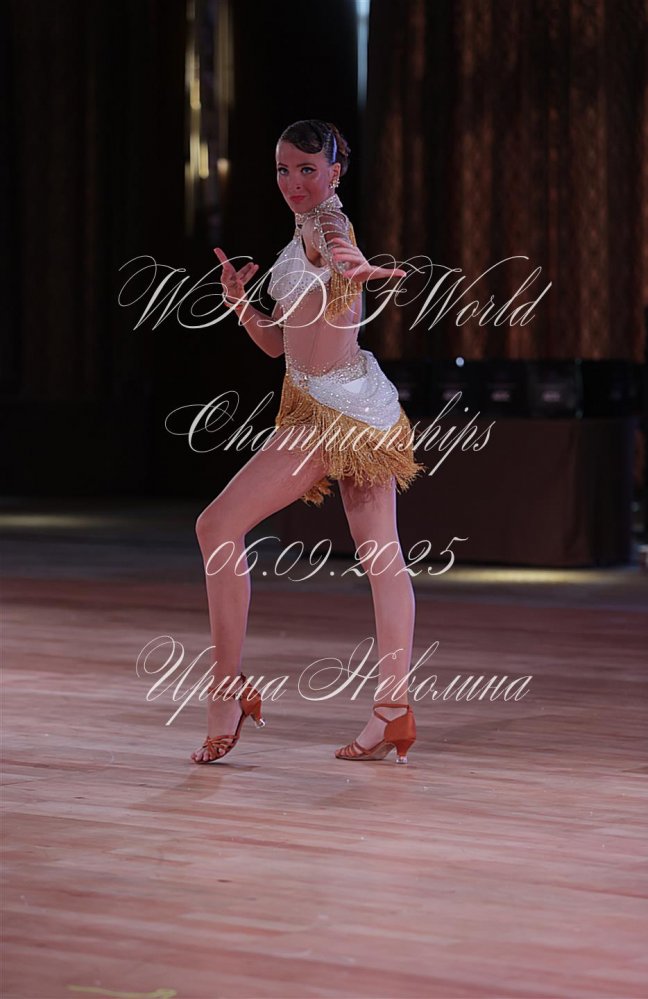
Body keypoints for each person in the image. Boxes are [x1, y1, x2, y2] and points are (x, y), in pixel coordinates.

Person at [191, 119, 424, 766]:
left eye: (307, 170)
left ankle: (226, 692)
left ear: (334, 173)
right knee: (382, 558)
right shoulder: (299, 235)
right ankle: (393, 710)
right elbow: (277, 345)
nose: (293, 182)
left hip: (330, 414)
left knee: (216, 526)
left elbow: (337, 245)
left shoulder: (327, 224)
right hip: (345, 401)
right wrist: (240, 302)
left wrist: (353, 262)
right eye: (283, 169)